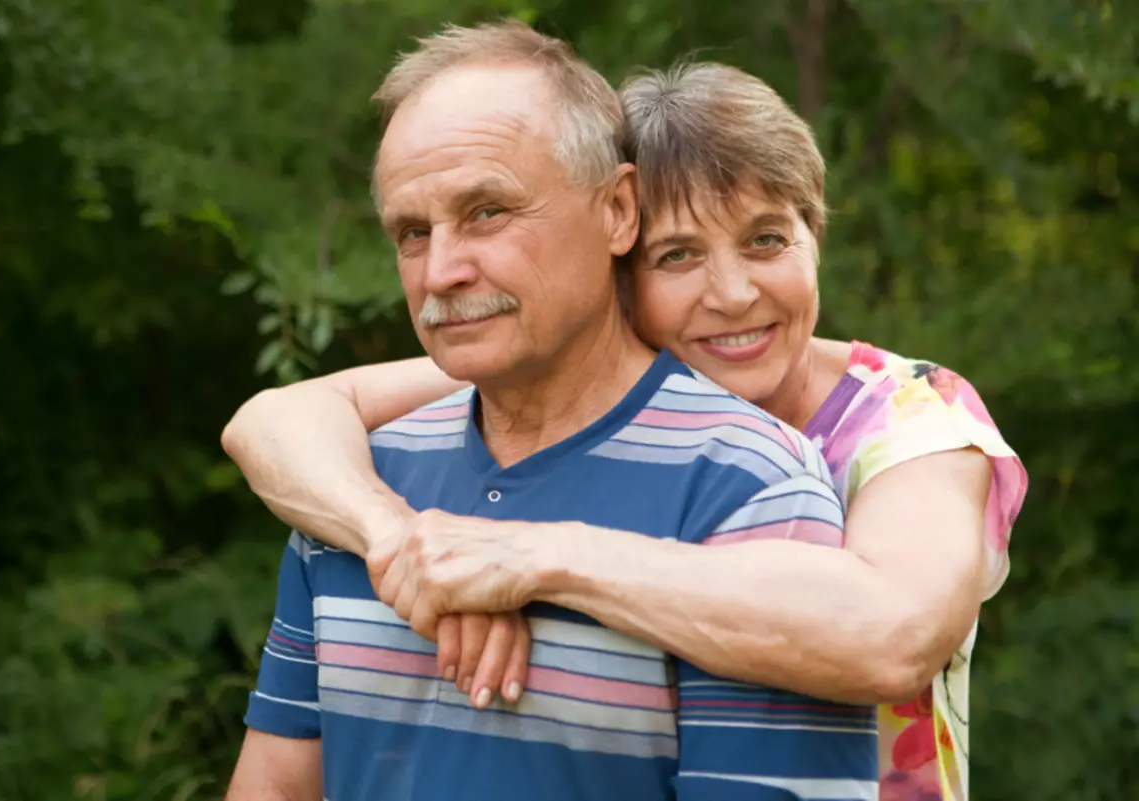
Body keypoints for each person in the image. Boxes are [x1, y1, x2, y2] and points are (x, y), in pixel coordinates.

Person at [223, 43, 1029, 801]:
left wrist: (533, 553)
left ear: (817, 238)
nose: (734, 293)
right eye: (677, 255)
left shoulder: (909, 418)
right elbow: (281, 416)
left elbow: (892, 636)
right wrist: (407, 545)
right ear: (620, 258)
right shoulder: (525, 354)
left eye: (768, 240)